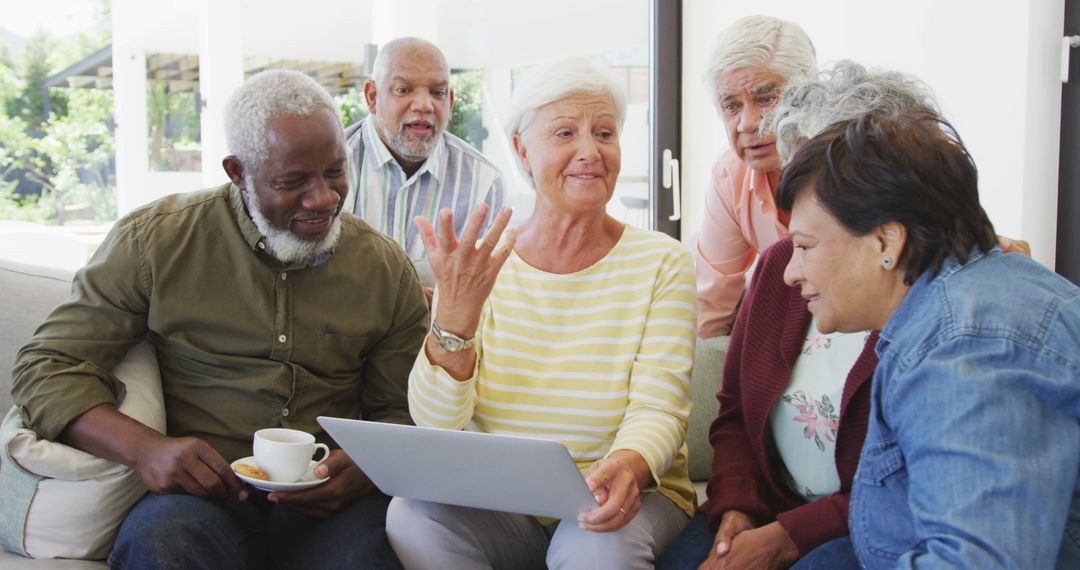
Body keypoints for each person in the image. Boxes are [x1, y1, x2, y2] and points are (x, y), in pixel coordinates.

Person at [11, 69, 429, 569]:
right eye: (293, 181)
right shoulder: (156, 242)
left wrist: (362, 469)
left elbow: (402, 411)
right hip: (200, 497)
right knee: (161, 550)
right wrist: (147, 450)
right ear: (238, 172)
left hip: (330, 502)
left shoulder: (382, 266)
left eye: (335, 171)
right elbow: (48, 365)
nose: (323, 198)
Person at [384, 58, 698, 569]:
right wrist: (456, 323)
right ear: (520, 148)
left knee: (592, 544)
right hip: (504, 501)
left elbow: (659, 408)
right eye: (565, 133)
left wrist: (627, 465)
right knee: (411, 515)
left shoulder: (662, 261)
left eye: (604, 133)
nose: (589, 152)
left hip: (617, 493)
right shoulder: (478, 263)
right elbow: (436, 422)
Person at [658, 62, 941, 570]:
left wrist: (791, 535)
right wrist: (737, 505)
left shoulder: (938, 304)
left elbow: (916, 485)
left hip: (868, 523)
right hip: (772, 506)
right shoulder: (778, 267)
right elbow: (737, 410)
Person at [777, 111, 1080, 568]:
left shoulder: (965, 350)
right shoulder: (980, 293)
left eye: (804, 246)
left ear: (885, 243)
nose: (790, 272)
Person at [345, 36, 506, 291]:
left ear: (450, 102)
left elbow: (482, 294)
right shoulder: (330, 166)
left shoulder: (484, 183)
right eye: (403, 89)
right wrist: (406, 301)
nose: (424, 105)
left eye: (437, 93)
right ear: (373, 97)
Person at [695, 15, 816, 338]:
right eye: (732, 106)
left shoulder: (850, 161)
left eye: (765, 99)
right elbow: (710, 303)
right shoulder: (729, 175)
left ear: (809, 95)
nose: (748, 124)